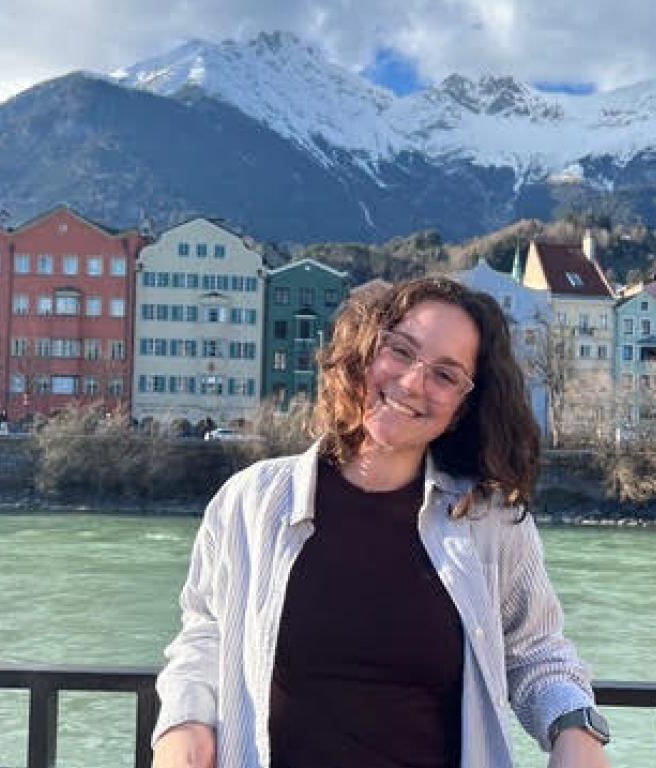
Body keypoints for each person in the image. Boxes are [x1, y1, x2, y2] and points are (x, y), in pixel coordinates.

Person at [152, 276, 611, 768]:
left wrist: (576, 730)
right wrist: (184, 725)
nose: (413, 382)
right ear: (365, 351)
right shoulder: (250, 502)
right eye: (400, 350)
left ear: (462, 408)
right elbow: (205, 634)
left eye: (445, 375)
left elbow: (536, 651)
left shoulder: (489, 520)